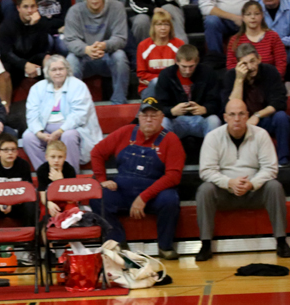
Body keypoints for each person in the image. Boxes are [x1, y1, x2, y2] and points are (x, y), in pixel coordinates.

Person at [90, 97, 185, 259]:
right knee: (97, 197)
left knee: (171, 199)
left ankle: (165, 246)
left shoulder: (171, 140)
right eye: (145, 115)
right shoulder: (126, 132)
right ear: (139, 117)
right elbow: (96, 152)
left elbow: (174, 176)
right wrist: (101, 179)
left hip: (154, 195)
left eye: (154, 116)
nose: (149, 119)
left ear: (162, 117)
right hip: (123, 191)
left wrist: (144, 197)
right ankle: (117, 241)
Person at [196, 99, 290, 261]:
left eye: (241, 114)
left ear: (247, 116)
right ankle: (205, 244)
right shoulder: (213, 137)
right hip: (225, 193)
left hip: (255, 192)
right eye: (232, 115)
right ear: (225, 117)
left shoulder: (261, 135)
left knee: (274, 187)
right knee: (204, 190)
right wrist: (229, 183)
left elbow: (270, 168)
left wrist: (252, 184)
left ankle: (281, 241)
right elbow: (206, 171)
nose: (237, 119)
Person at [23, 55, 102, 174]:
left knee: (68, 136)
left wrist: (60, 131)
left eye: (61, 69)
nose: (58, 73)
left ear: (67, 70)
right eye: (54, 70)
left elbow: (79, 115)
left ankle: (70, 176)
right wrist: (39, 134)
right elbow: (31, 114)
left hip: (72, 128)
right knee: (28, 137)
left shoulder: (78, 86)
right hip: (45, 129)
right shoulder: (37, 88)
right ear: (47, 72)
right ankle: (45, 175)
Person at [224, 43, 290, 165]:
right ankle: (235, 164)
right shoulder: (231, 76)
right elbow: (231, 107)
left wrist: (257, 115)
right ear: (238, 65)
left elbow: (280, 102)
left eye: (252, 61)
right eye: (244, 64)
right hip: (241, 121)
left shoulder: (270, 71)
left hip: (265, 118)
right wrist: (239, 80)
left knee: (281, 117)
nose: (250, 67)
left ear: (259, 59)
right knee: (229, 120)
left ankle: (283, 161)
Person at [63, 0, 130, 104]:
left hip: (107, 54)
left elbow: (120, 38)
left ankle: (119, 101)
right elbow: (70, 40)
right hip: (84, 57)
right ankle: (74, 103)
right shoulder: (74, 11)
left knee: (120, 56)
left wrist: (104, 46)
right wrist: (86, 49)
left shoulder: (117, 7)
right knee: (71, 60)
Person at [155, 44, 224, 140]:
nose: (187, 71)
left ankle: (212, 153)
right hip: (176, 119)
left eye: (191, 66)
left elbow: (216, 101)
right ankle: (166, 153)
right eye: (184, 66)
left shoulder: (208, 73)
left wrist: (205, 109)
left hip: (200, 119)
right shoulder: (166, 75)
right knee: (163, 122)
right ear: (177, 62)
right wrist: (172, 111)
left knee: (214, 120)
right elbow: (159, 105)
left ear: (197, 62)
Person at [0, 132, 35, 227]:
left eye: (13, 150)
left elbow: (28, 192)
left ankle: (31, 237)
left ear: (17, 152)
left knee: (30, 205)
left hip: (17, 205)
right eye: (6, 150)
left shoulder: (24, 165)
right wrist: (0, 204)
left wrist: (12, 204)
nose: (10, 153)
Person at [0, 0, 51, 88]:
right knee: (4, 70)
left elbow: (42, 49)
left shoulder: (41, 22)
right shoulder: (8, 24)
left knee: (49, 60)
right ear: (18, 8)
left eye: (32, 6)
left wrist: (33, 27)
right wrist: (25, 65)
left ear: (37, 7)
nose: (29, 10)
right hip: (14, 61)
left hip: (33, 60)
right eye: (25, 7)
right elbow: (6, 53)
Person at [227, 0, 288, 76]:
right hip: (244, 82)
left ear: (262, 15)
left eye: (256, 14)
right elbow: (231, 66)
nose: (253, 17)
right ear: (243, 17)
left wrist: (272, 80)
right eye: (248, 14)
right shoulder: (235, 40)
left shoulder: (273, 36)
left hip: (270, 82)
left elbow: (281, 64)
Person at [136, 9, 185, 100]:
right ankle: (147, 112)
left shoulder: (179, 45)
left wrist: (162, 80)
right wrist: (160, 80)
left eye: (166, 24)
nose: (163, 28)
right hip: (148, 88)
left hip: (173, 87)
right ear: (153, 27)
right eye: (159, 24)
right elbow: (141, 74)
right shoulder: (143, 46)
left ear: (171, 27)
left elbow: (182, 71)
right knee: (155, 82)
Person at [200, 0, 249, 67]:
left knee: (257, 14)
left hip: (248, 17)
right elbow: (206, 7)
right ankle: (216, 60)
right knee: (211, 21)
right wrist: (234, 18)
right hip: (223, 20)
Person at [35, 139, 76, 218]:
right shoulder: (42, 170)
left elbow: (71, 199)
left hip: (66, 201)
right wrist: (49, 204)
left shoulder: (70, 170)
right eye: (53, 157)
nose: (56, 160)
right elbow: (43, 197)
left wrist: (60, 182)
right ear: (46, 157)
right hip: (49, 200)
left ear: (65, 157)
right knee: (45, 212)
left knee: (72, 210)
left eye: (60, 157)